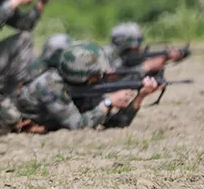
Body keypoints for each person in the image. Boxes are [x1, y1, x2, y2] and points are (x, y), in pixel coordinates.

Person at [15, 42, 160, 132]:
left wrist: (140, 96)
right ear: (83, 76)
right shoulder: (51, 87)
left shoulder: (82, 87)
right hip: (11, 123)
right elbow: (78, 126)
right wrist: (107, 103)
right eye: (99, 73)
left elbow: (116, 123)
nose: (106, 73)